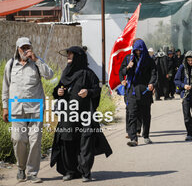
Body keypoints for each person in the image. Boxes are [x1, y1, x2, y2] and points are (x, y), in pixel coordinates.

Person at [50, 46, 112, 182]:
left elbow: (97, 90)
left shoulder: (88, 74)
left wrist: (88, 92)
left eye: (71, 54)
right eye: (68, 54)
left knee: (86, 143)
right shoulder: (65, 73)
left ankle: (85, 172)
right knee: (67, 142)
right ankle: (70, 171)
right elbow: (58, 89)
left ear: (78, 57)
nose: (68, 56)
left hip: (85, 115)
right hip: (68, 115)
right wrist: (58, 92)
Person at [2, 37, 54, 183]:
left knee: (35, 141)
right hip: (17, 108)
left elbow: (49, 75)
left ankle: (32, 173)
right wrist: (5, 107)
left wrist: (36, 59)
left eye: (27, 47)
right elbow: (5, 87)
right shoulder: (11, 64)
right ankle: (21, 168)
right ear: (17, 49)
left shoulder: (37, 63)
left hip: (36, 108)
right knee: (18, 139)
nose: (25, 50)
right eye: (22, 48)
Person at [120, 39, 157, 146]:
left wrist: (152, 84)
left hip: (145, 91)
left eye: (140, 50)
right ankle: (133, 138)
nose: (138, 52)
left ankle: (146, 135)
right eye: (136, 50)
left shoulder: (149, 61)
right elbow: (121, 71)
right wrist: (128, 67)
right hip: (132, 91)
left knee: (146, 116)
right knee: (132, 114)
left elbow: (154, 73)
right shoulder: (128, 59)